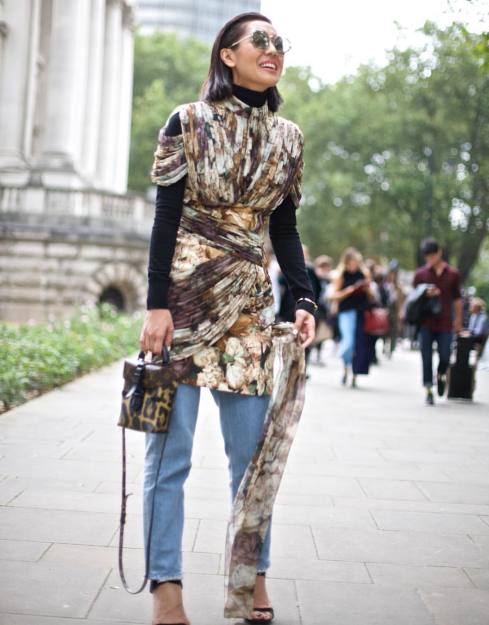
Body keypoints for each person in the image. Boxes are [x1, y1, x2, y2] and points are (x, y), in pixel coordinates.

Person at [138, 12, 316, 625]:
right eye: (259, 41)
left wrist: (303, 296)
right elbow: (165, 219)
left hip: (248, 311)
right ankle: (166, 588)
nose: (272, 50)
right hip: (184, 304)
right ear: (227, 54)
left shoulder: (289, 138)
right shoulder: (186, 123)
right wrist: (155, 302)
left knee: (253, 458)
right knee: (171, 456)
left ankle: (250, 578)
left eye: (279, 43)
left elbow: (284, 228)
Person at [413, 238, 462, 405]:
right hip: (426, 322)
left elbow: (457, 299)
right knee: (426, 356)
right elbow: (413, 299)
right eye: (427, 257)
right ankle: (428, 388)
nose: (430, 259)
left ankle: (441, 373)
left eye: (432, 255)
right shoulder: (421, 275)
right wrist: (425, 294)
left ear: (439, 252)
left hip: (445, 322)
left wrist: (459, 320)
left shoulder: (453, 274)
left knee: (445, 355)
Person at [330, 247, 371, 387]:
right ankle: (345, 366)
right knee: (348, 343)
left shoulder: (364, 274)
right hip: (346, 312)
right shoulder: (341, 275)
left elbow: (371, 295)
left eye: (355, 263)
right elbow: (333, 295)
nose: (353, 266)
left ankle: (354, 374)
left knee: (358, 345)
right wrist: (349, 290)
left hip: (361, 312)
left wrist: (366, 288)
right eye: (350, 263)